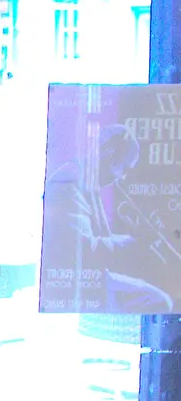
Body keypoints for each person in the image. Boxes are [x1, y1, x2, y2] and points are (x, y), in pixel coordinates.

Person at [42, 122, 174, 312]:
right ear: (109, 154)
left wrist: (138, 238)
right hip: (79, 282)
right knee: (161, 300)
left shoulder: (86, 182)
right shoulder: (70, 182)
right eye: (124, 168)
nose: (123, 177)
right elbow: (84, 250)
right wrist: (135, 244)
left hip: (93, 276)